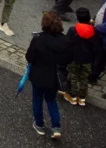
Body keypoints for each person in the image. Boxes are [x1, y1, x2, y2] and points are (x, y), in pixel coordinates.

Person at [26, 11, 72, 139]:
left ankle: (39, 125)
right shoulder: (65, 40)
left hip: (38, 76)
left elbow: (29, 57)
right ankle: (56, 127)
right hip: (54, 79)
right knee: (51, 101)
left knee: (37, 99)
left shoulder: (38, 39)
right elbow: (68, 59)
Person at [64, 6, 100, 106]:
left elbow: (67, 44)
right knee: (84, 78)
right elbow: (97, 48)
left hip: (74, 58)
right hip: (88, 60)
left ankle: (72, 96)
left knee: (73, 76)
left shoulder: (73, 30)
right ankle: (82, 98)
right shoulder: (94, 31)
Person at [90, 0, 106, 84]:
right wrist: (94, 19)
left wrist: (94, 29)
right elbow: (102, 10)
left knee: (100, 59)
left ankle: (93, 77)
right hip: (101, 35)